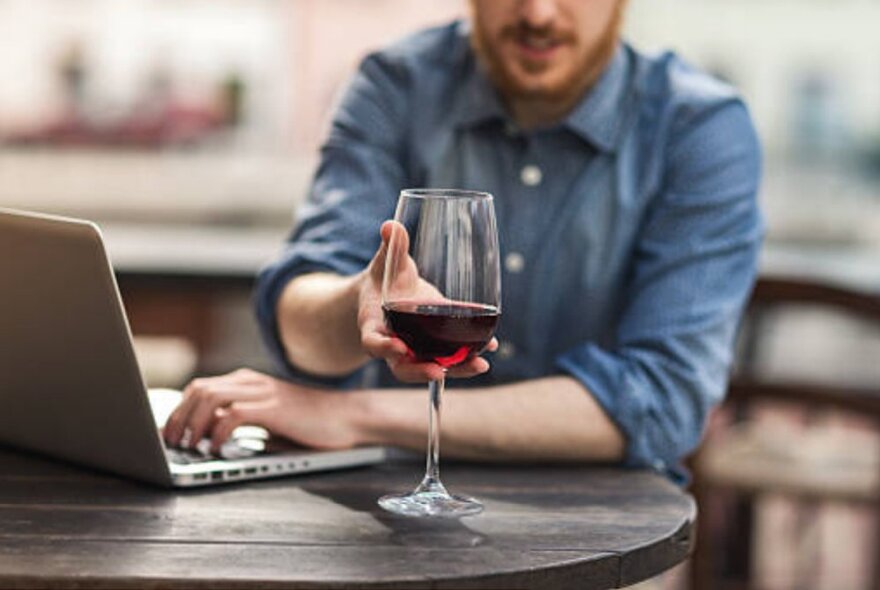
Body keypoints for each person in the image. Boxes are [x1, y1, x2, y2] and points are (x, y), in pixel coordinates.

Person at [163, 0, 763, 483]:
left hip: (605, 528)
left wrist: (346, 414)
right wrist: (357, 301)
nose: (539, 13)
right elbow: (298, 314)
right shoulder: (395, 85)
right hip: (379, 507)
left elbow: (662, 402)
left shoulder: (700, 129)